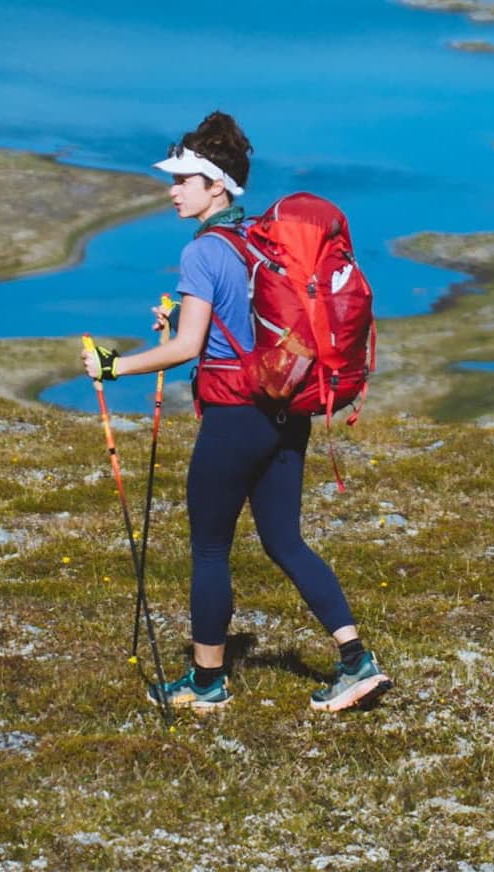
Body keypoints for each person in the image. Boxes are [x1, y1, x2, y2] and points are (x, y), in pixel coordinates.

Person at [79, 111, 391, 714]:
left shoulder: (204, 252)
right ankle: (356, 660)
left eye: (183, 181)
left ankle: (207, 683)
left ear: (215, 186)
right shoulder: (259, 241)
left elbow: (189, 349)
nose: (172, 191)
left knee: (210, 550)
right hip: (285, 410)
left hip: (235, 415)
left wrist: (113, 366)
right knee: (284, 540)